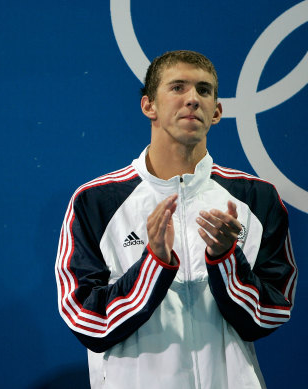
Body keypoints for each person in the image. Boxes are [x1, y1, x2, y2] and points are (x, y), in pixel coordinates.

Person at [55, 50, 297, 389]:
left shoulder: (257, 198)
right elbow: (87, 322)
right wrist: (154, 264)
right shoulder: (95, 201)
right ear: (148, 106)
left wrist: (227, 260)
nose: (192, 99)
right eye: (178, 87)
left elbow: (272, 313)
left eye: (204, 90)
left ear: (218, 111)